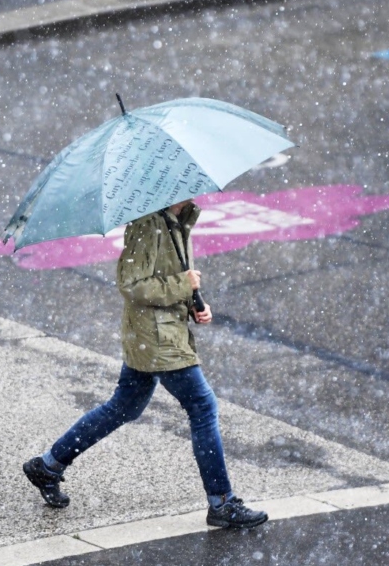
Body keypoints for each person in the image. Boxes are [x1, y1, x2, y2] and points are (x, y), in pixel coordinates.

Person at [23, 198, 268, 529]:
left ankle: (48, 466)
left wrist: (196, 302)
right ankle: (221, 503)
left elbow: (173, 276)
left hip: (161, 332)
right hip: (155, 338)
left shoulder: (180, 219)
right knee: (202, 406)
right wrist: (184, 285)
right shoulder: (147, 224)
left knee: (124, 407)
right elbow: (132, 285)